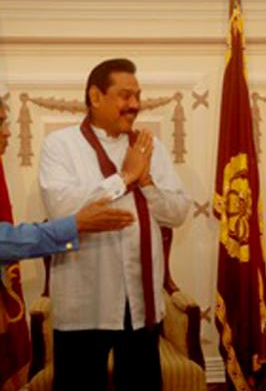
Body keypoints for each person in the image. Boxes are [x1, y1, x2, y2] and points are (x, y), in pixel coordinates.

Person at [39, 58, 190, 391]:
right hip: (85, 304)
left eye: (137, 95)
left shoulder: (150, 148)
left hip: (140, 303)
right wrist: (124, 178)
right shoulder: (60, 146)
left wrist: (146, 181)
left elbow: (179, 212)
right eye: (125, 95)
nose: (135, 105)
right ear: (95, 97)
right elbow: (62, 207)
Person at [0, 96, 134, 261]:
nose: (7, 132)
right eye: (0, 123)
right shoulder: (57, 144)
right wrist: (75, 224)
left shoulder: (146, 145)